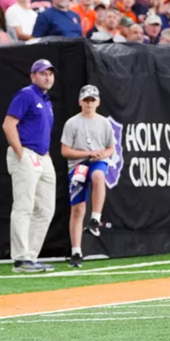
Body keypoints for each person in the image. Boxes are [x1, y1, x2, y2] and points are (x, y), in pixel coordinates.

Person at [2, 59, 58, 273]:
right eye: (43, 73)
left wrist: (45, 154)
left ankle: (31, 256)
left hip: (43, 156)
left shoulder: (46, 100)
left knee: (45, 209)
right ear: (33, 75)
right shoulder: (26, 94)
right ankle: (20, 258)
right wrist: (21, 153)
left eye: (50, 74)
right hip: (26, 153)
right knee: (24, 206)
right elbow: (8, 125)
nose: (48, 77)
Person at [60, 85, 116, 268]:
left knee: (99, 175)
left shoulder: (104, 123)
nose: (89, 103)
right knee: (77, 208)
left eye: (92, 100)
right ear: (80, 102)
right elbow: (65, 150)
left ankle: (96, 217)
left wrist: (101, 154)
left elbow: (111, 148)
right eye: (86, 100)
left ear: (98, 102)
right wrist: (86, 154)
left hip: (96, 161)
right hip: (78, 165)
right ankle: (76, 251)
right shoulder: (72, 123)